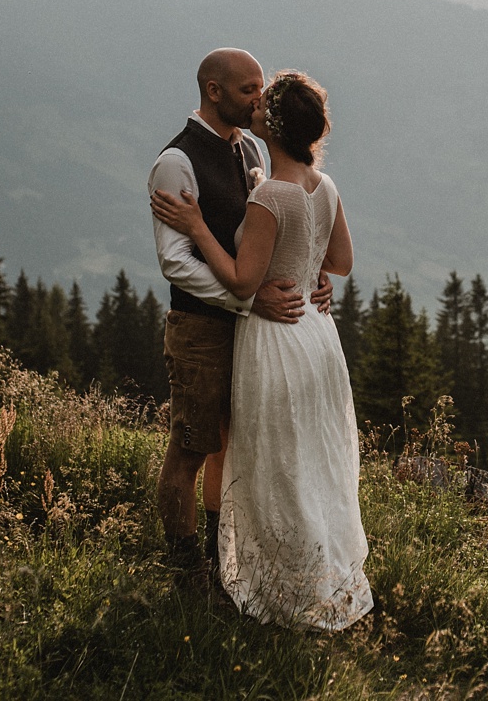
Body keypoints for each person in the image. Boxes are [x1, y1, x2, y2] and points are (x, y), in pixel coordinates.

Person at [152, 69, 371, 630]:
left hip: (276, 341)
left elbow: (244, 281)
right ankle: (325, 578)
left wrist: (198, 226)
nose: (255, 102)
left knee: (274, 465)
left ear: (271, 125)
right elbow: (342, 262)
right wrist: (310, 273)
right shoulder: (326, 185)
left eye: (261, 97)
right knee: (309, 463)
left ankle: (280, 588)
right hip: (318, 339)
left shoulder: (271, 192)